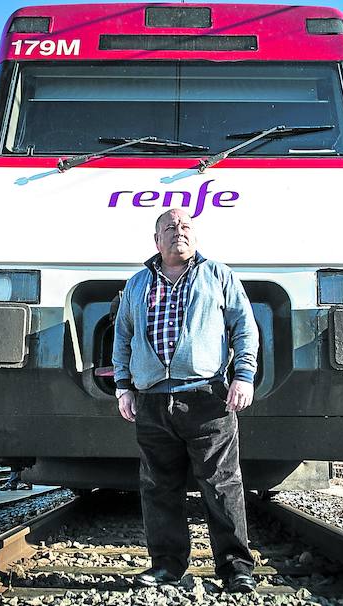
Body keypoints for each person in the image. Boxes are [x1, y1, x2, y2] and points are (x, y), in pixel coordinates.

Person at [113, 208, 259, 593]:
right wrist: (123, 385)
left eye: (185, 226)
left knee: (222, 484)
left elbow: (244, 326)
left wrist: (243, 375)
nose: (179, 231)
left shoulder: (219, 275)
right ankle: (166, 566)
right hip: (152, 400)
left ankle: (235, 569)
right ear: (156, 241)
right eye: (169, 227)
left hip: (207, 397)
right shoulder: (137, 284)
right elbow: (123, 336)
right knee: (159, 487)